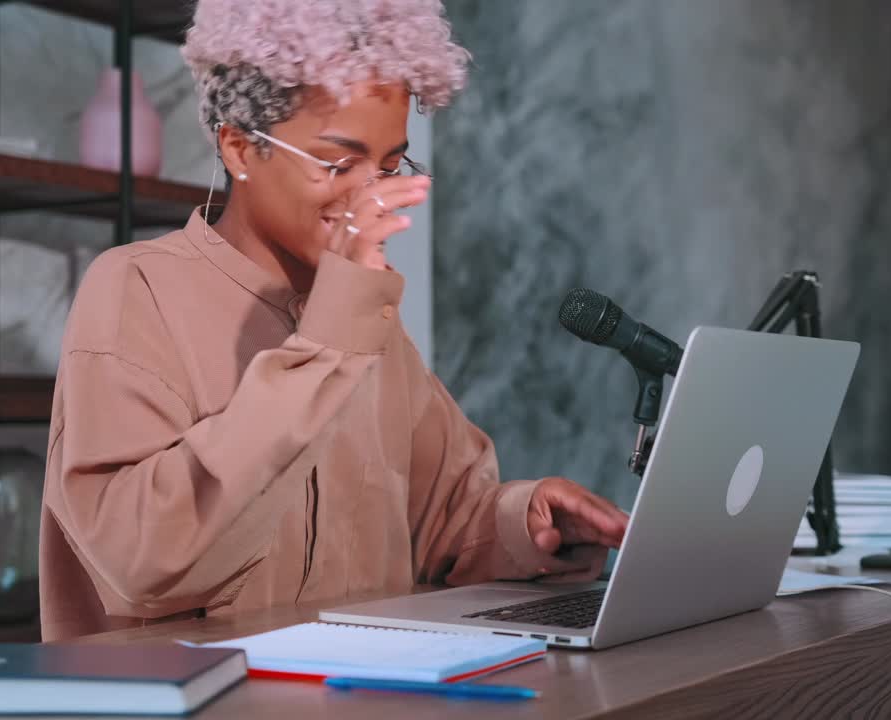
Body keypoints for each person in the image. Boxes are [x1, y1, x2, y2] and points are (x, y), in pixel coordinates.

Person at [38, 0, 628, 641]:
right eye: (338, 164)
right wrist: (330, 338)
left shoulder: (369, 324)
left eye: (390, 164)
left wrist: (529, 522)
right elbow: (138, 559)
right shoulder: (135, 289)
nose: (370, 194)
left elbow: (445, 522)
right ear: (238, 146)